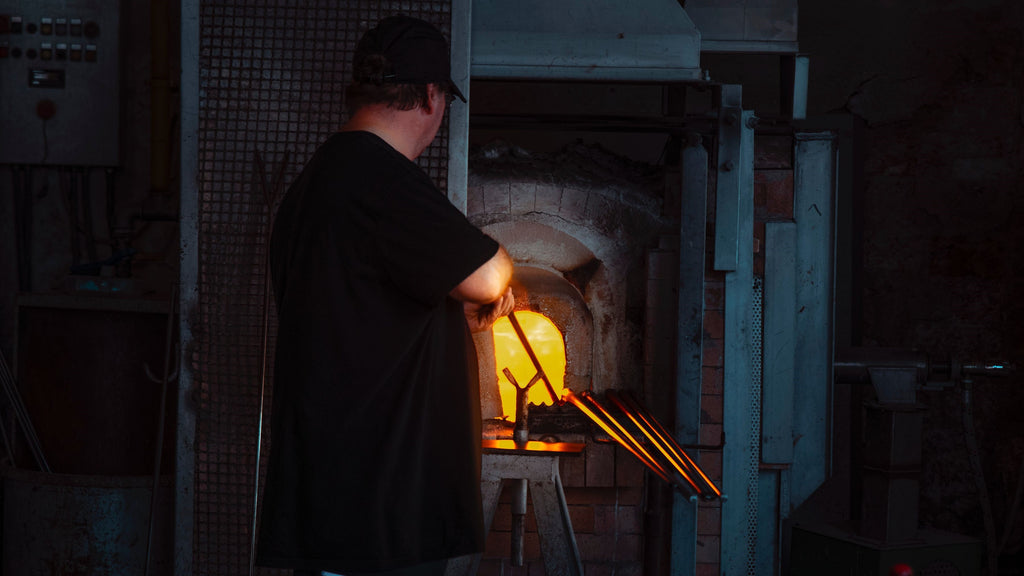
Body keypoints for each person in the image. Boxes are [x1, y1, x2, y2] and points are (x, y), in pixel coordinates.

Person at [256, 15, 515, 576]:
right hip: (375, 515)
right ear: (430, 95)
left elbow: (364, 316)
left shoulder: (318, 182)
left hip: (342, 502)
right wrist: (486, 281)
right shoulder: (381, 181)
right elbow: (492, 275)